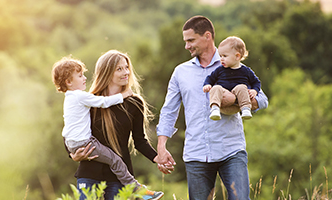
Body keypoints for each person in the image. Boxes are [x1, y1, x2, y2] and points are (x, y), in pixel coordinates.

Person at [156, 16, 268, 200]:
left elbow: (262, 100)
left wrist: (235, 100)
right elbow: (169, 111)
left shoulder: (235, 65)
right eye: (185, 41)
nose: (187, 46)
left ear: (207, 36)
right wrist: (161, 146)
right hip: (196, 153)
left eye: (191, 40)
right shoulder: (181, 72)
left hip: (231, 150)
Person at [52, 55, 163, 200]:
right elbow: (70, 129)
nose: (126, 72)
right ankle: (138, 189)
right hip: (89, 174)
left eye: (126, 68)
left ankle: (138, 189)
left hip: (118, 178)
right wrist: (72, 154)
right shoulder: (90, 101)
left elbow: (140, 141)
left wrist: (158, 158)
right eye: (119, 69)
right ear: (107, 72)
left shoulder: (134, 103)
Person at [203, 36, 261, 120]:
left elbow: (256, 82)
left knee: (241, 87)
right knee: (216, 88)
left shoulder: (246, 71)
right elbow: (210, 78)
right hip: (224, 96)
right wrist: (207, 84)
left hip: (237, 100)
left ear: (237, 56)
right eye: (220, 56)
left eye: (225, 56)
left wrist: (255, 90)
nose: (221, 59)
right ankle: (215, 108)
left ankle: (245, 109)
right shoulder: (220, 70)